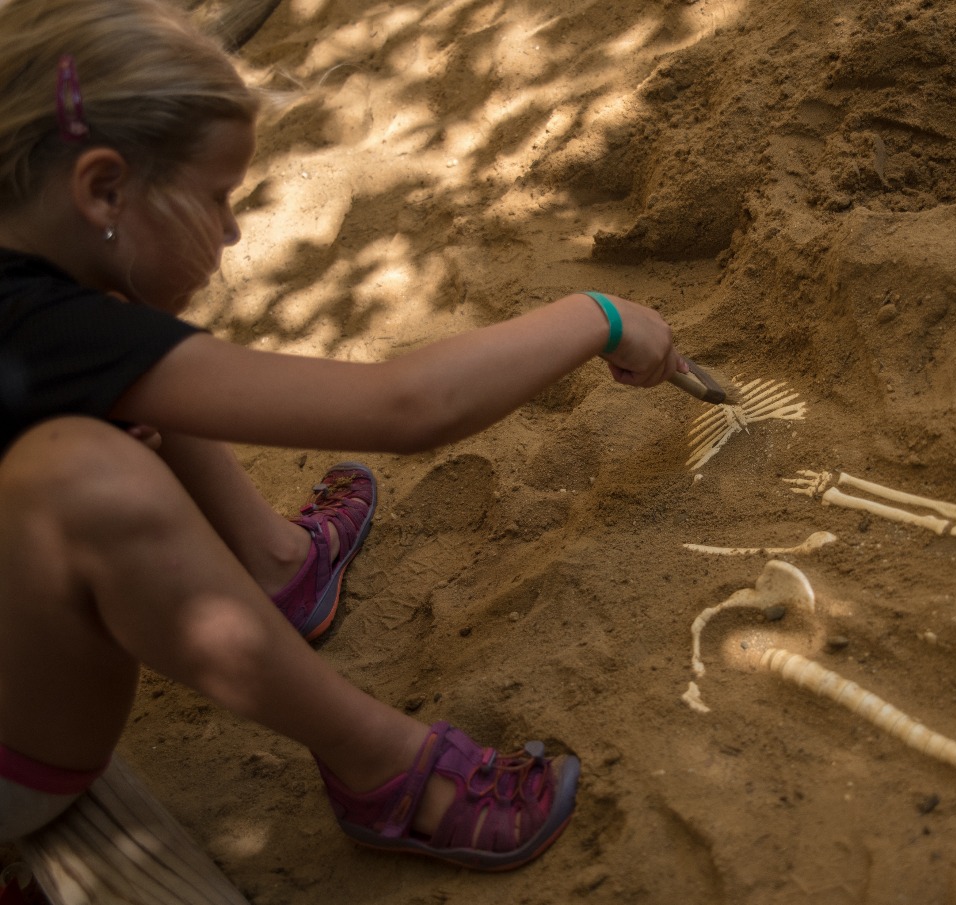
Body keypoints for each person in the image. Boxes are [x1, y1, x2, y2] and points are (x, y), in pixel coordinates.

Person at [0, 0, 684, 871]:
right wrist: (600, 316)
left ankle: (277, 567)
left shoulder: (39, 283)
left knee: (131, 356)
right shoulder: (28, 325)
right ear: (102, 189)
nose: (234, 230)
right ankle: (382, 765)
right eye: (218, 199)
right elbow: (404, 407)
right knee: (85, 475)